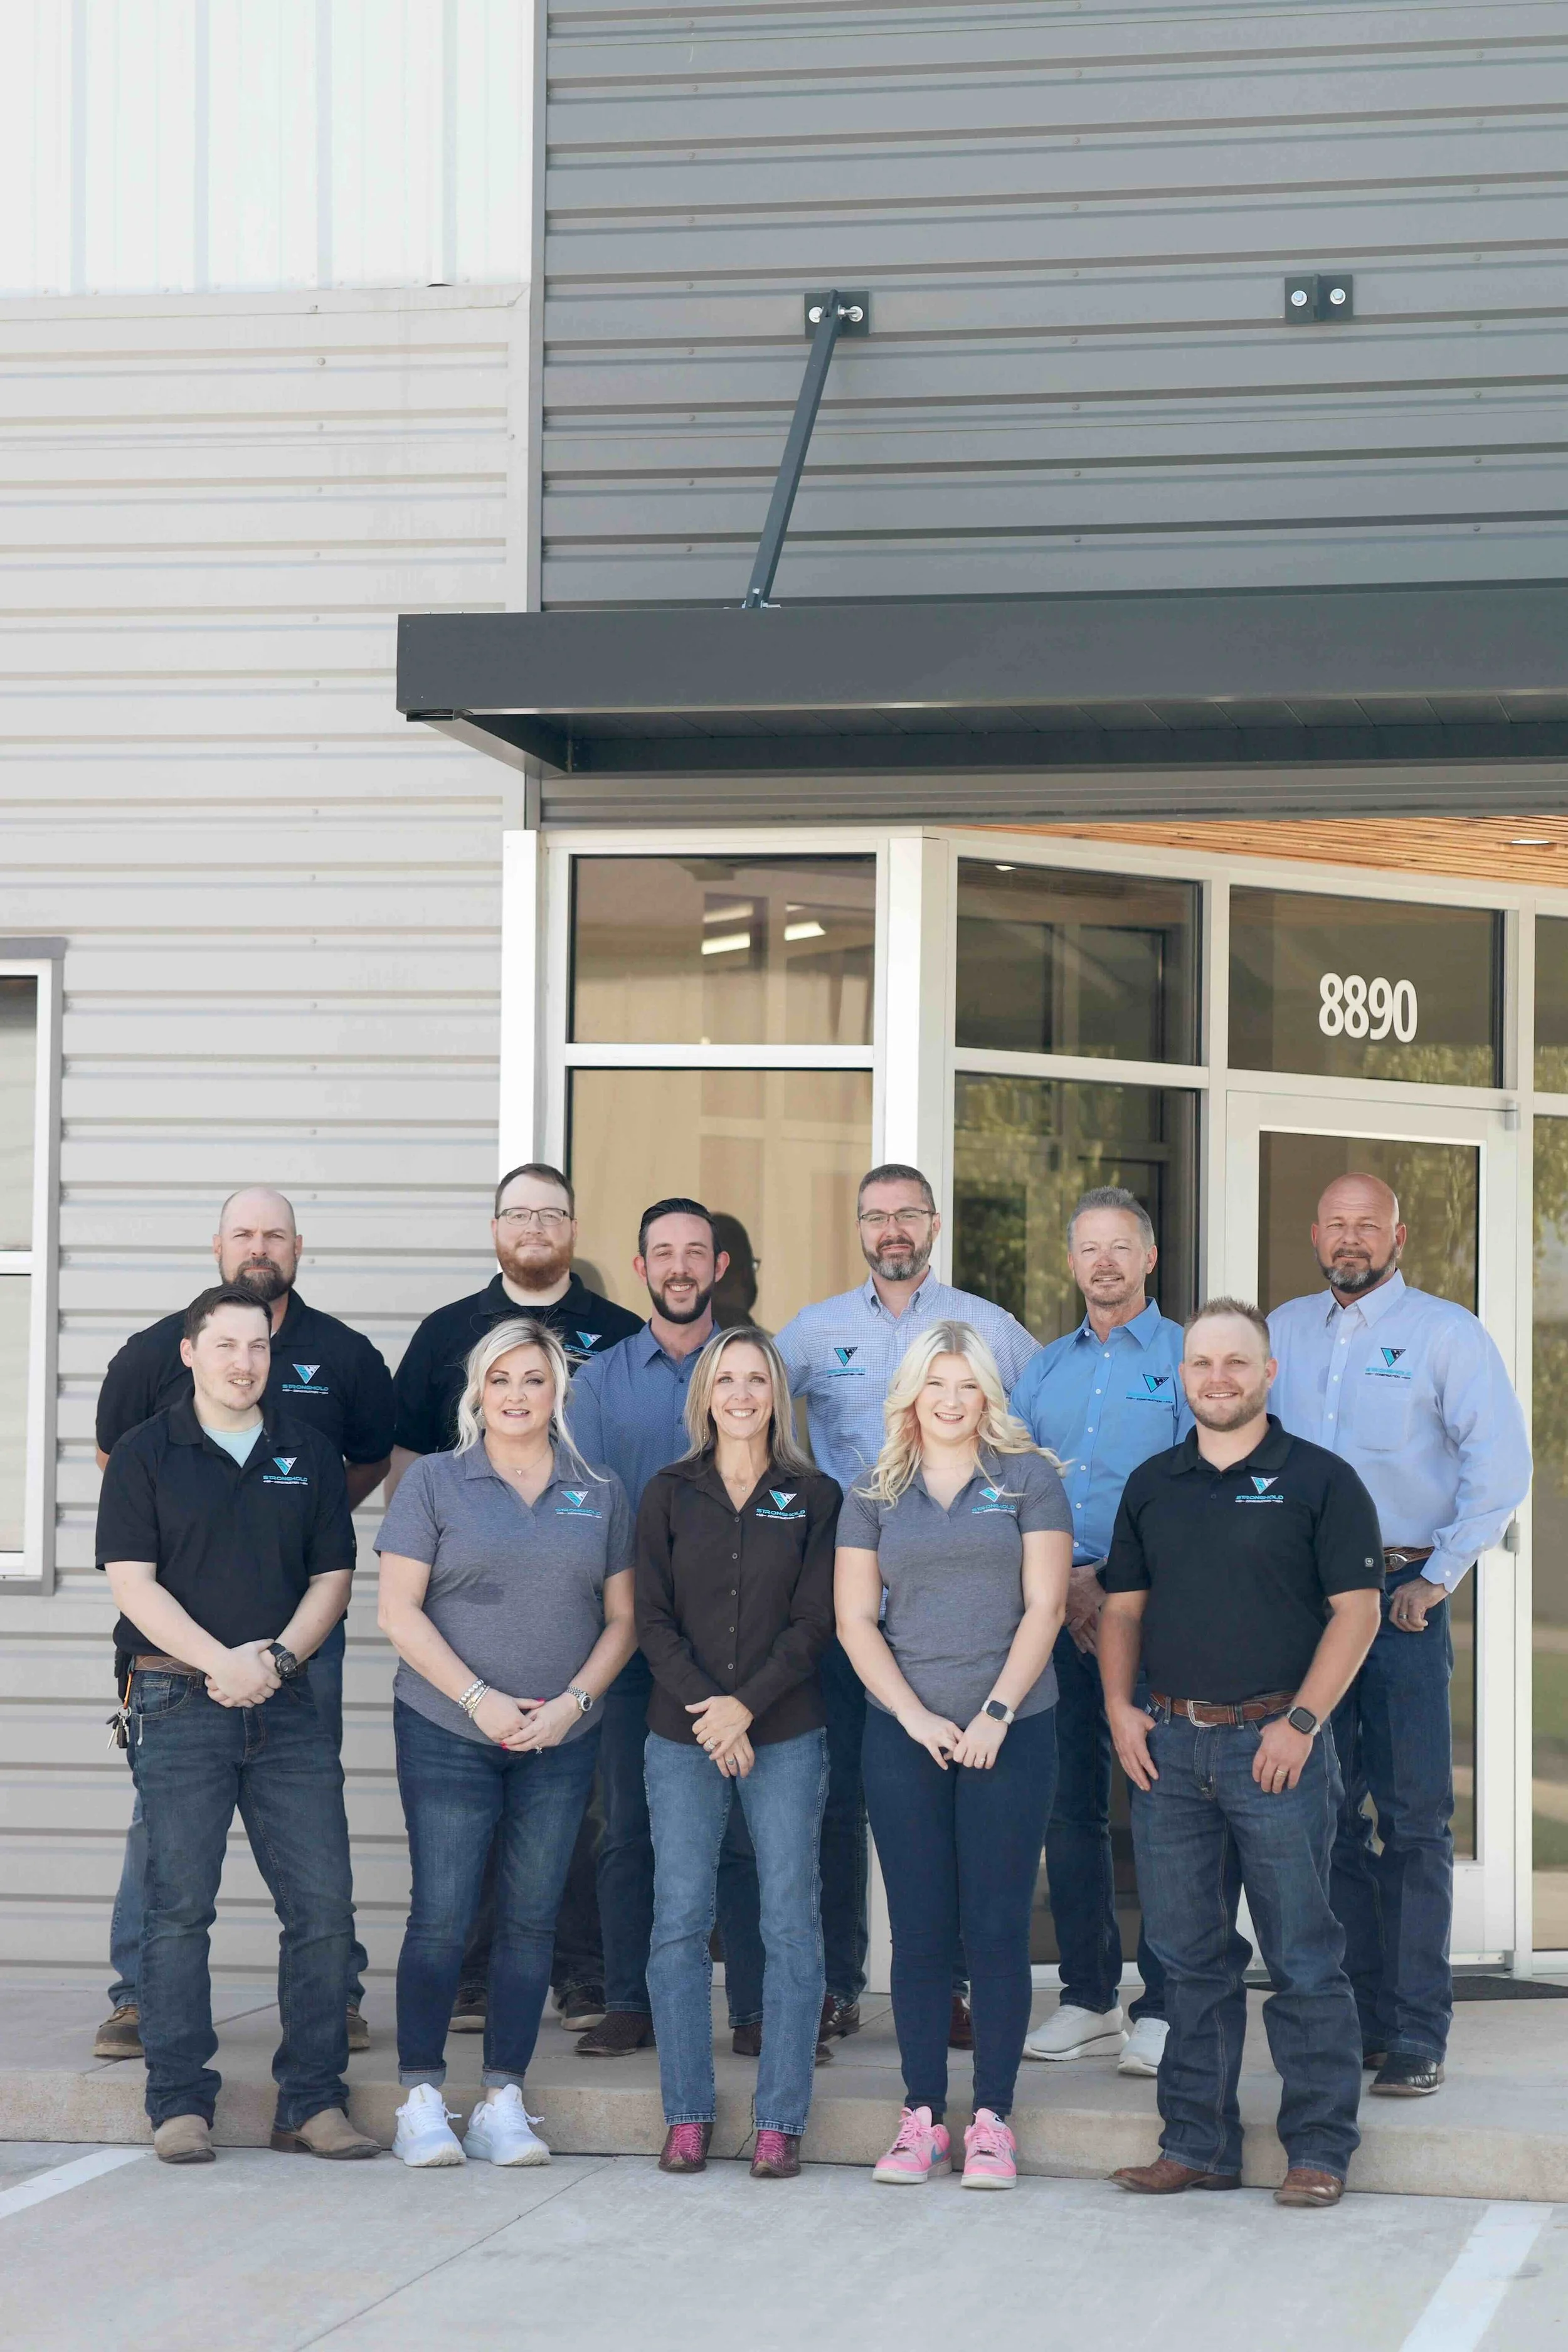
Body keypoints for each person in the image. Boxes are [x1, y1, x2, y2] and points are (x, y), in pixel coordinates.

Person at [93, 1186, 395, 2060]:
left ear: (299, 1245)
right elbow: (124, 1493)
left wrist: (277, 1641)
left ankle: (327, 2015)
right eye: (243, 1232)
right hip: (174, 1671)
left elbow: (365, 1470)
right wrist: (220, 1655)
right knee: (170, 1854)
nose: (259, 1245)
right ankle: (140, 1999)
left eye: (274, 1233)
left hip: (297, 1653)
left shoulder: (340, 1356)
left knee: (314, 1860)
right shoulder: (152, 1362)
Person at [1101, 1300, 1384, 2209]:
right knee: (1185, 1960)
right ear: (1182, 1376)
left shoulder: (1322, 1479)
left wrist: (1301, 1723)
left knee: (1304, 1954)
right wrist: (1118, 1708)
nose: (1216, 1377)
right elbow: (1123, 1608)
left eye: (1236, 1362)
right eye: (1200, 1363)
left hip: (1279, 1749)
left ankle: (1319, 2147)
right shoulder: (1153, 1482)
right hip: (1171, 1750)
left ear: (1268, 1373)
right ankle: (1196, 2142)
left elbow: (1359, 1610)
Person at [1268, 1173, 1531, 2097]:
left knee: (1415, 1821)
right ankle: (1363, 2020)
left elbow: (1501, 1468)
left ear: (1398, 1235)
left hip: (1402, 1596)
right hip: (1305, 1605)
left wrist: (1437, 1575)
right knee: (1326, 1818)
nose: (1350, 1239)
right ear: (1316, 1231)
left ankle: (1419, 2031)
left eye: (1366, 1226)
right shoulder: (1282, 1332)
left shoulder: (1445, 1334)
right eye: (1335, 1223)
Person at [777, 1163, 1041, 2051]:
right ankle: (840, 1985)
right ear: (859, 1227)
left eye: (907, 1215)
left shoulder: (991, 1331)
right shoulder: (815, 1330)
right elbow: (756, 1417)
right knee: (842, 1801)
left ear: (934, 1223)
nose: (893, 1230)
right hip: (852, 1601)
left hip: (963, 1607)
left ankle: (957, 1988)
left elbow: (1029, 1441)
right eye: (877, 1216)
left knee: (973, 1810)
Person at [374, 1318, 637, 2169]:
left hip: (561, 1737)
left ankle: (501, 2100)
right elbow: (397, 1612)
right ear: (477, 1392)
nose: (518, 1395)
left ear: (559, 1390)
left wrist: (571, 1703)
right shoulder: (436, 1485)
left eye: (534, 1379)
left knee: (530, 1920)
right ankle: (420, 2097)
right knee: (445, 1915)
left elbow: (624, 1619)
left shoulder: (600, 1489)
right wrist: (481, 1699)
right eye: (502, 1380)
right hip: (449, 1727)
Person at [390, 1161, 640, 2035]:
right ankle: (466, 1985)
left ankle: (579, 1977)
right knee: (459, 1864)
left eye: (552, 1212)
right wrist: (444, 1528)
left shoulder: (621, 1332)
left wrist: (576, 1694)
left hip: (577, 1622)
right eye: (518, 1212)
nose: (535, 1226)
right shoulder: (445, 1333)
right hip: (459, 1666)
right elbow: (402, 1461)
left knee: (579, 1833)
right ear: (496, 1225)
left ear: (574, 1226)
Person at [836, 1320, 1071, 2190]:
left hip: (1011, 1730)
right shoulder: (873, 1489)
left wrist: (996, 1714)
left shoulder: (1028, 1479)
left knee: (999, 1925)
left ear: (986, 1396)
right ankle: (923, 2114)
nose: (949, 1398)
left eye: (966, 1384)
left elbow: (1045, 1607)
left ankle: (994, 2119)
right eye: (934, 1382)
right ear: (910, 1393)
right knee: (922, 1928)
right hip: (906, 1735)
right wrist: (913, 1716)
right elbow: (855, 1619)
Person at [567, 1200, 768, 2059]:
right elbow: (577, 1508)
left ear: (719, 1265)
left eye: (696, 1251)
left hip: (740, 1642)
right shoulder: (599, 1381)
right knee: (628, 1828)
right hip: (636, 1639)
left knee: (744, 1831)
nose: (680, 1265)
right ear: (642, 1267)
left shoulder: (756, 1368)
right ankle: (628, 2000)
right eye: (663, 1253)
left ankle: (756, 2009)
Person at [638, 1326, 839, 2181]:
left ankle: (779, 2120)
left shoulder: (814, 1494)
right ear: (706, 1394)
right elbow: (649, 1618)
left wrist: (745, 1706)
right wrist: (711, 1711)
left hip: (785, 1731)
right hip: (680, 1734)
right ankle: (686, 2114)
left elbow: (814, 1621)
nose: (743, 1393)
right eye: (728, 1379)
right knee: (680, 1919)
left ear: (777, 1392)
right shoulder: (667, 1493)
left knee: (789, 1920)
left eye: (759, 1378)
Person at [1012, 1186, 1190, 2078]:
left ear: (1149, 1259)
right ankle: (1088, 1994)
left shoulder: (1188, 1358)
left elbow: (1200, 1487)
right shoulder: (1043, 1370)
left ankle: (1163, 2003)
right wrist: (1063, 1587)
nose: (1106, 1262)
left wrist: (1108, 1583)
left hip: (1150, 1612)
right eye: (1090, 1247)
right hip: (1053, 1612)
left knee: (1160, 1807)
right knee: (1069, 1808)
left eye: (1122, 1246)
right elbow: (1009, 1481)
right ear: (1072, 1260)